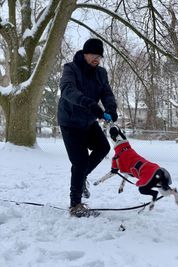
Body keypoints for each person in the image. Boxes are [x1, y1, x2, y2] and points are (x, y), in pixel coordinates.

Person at [57, 38, 118, 217]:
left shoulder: (101, 73)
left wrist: (111, 109)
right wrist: (90, 104)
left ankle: (82, 176)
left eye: (99, 56)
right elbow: (67, 90)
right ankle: (75, 205)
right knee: (80, 161)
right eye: (94, 55)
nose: (97, 59)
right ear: (85, 53)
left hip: (89, 121)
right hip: (70, 122)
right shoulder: (70, 69)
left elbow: (106, 93)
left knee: (103, 147)